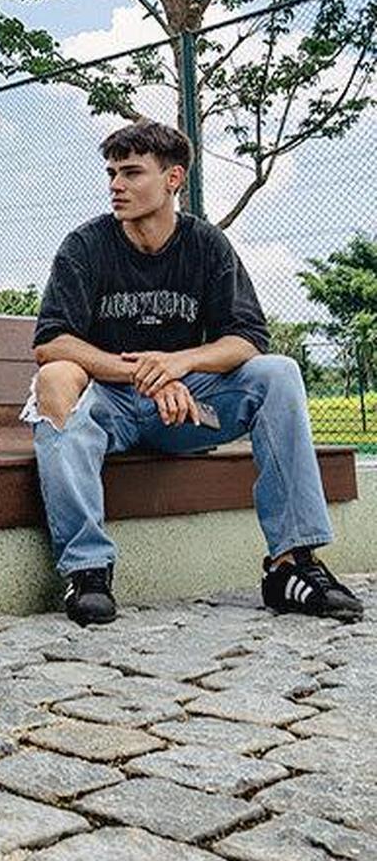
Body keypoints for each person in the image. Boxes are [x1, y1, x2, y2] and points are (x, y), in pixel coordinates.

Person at [28, 119, 362, 627]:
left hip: (184, 410)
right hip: (111, 407)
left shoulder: (207, 245)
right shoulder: (86, 245)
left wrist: (179, 365)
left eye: (132, 173)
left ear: (173, 178)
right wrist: (142, 372)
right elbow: (52, 341)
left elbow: (247, 337)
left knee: (277, 373)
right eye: (112, 173)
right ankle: (87, 569)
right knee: (54, 382)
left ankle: (291, 566)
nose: (116, 185)